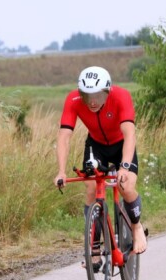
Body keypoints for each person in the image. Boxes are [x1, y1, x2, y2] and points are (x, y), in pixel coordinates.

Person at [54, 66, 147, 255]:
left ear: (107, 90)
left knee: (126, 186)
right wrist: (61, 171)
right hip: (96, 146)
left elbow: (129, 134)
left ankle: (136, 227)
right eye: (87, 95)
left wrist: (124, 166)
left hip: (121, 146)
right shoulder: (73, 100)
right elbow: (64, 137)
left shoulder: (121, 96)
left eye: (98, 95)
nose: (92, 101)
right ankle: (94, 247)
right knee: (90, 189)